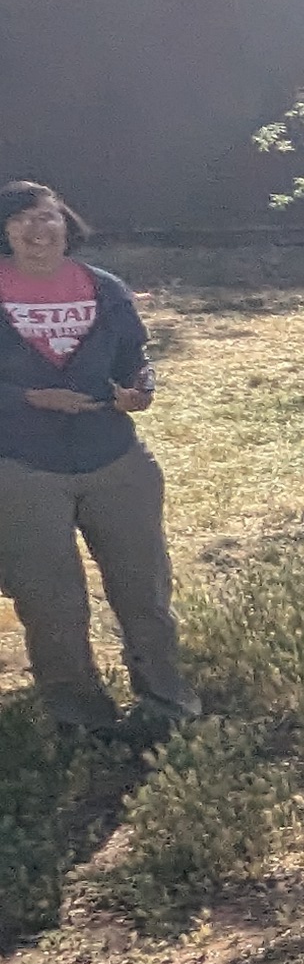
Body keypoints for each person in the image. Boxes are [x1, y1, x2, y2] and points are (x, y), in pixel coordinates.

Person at [0, 179, 193, 735]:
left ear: (66, 223)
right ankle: (80, 718)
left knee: (144, 591)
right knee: (50, 603)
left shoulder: (104, 287)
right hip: (22, 468)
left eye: (47, 216)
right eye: (22, 219)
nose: (38, 228)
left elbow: (135, 358)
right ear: (5, 231)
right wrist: (27, 399)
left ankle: (166, 706)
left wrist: (140, 388)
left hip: (115, 461)